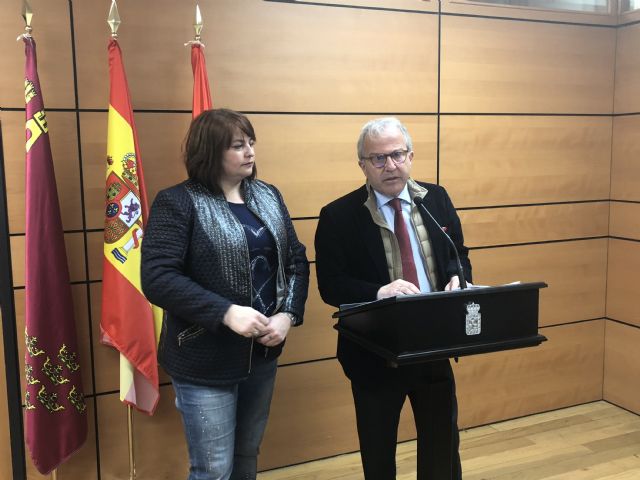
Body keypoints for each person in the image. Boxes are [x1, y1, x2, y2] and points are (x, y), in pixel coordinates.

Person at [141, 108, 309, 480]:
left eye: (251, 143)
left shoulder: (267, 195)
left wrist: (287, 316)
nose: (249, 152)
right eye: (238, 145)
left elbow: (296, 260)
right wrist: (225, 312)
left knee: (247, 456)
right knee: (213, 469)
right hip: (205, 359)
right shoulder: (178, 202)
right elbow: (157, 277)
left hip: (263, 353)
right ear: (210, 151)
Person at [314, 117, 472, 480]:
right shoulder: (338, 215)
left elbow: (458, 254)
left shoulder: (436, 198)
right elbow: (330, 285)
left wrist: (456, 278)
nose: (390, 165)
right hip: (375, 351)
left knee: (442, 444)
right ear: (363, 166)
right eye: (378, 159)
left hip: (433, 343)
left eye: (397, 155)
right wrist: (378, 292)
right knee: (379, 450)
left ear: (411, 156)